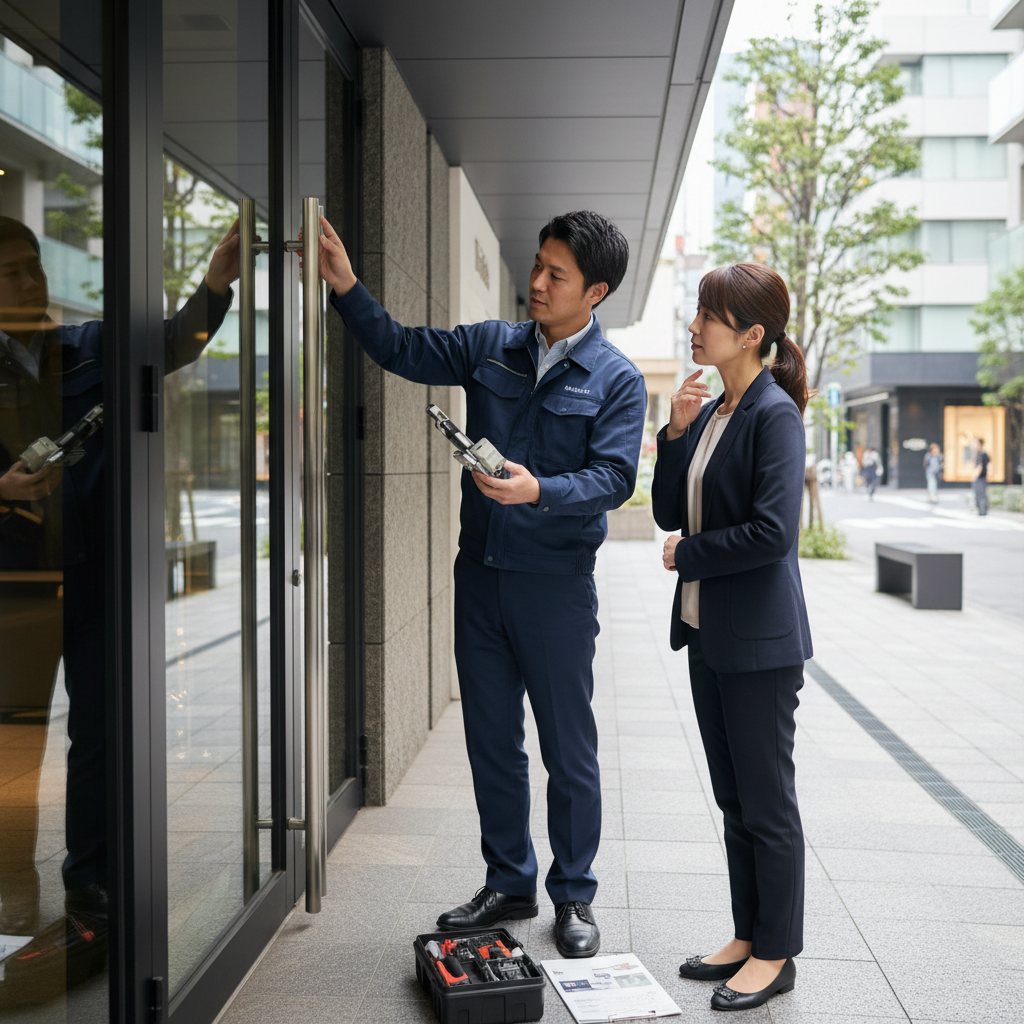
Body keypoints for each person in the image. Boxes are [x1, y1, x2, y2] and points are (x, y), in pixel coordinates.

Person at [317, 210, 646, 958]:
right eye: (537, 265)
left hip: (556, 586)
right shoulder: (489, 345)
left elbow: (616, 478)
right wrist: (345, 285)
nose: (536, 282)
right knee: (491, 740)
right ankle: (509, 881)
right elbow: (399, 346)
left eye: (556, 275)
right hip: (481, 578)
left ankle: (574, 896)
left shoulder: (618, 380)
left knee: (569, 748)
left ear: (594, 291)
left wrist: (540, 491)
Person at [0, 214, 239, 997]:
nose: (28, 283)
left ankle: (90, 890)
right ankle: (13, 892)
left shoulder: (93, 346)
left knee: (98, 738)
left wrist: (217, 282)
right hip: (17, 589)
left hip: (97, 580)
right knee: (15, 747)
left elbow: (175, 342)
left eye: (31, 267)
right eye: (10, 274)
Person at [652, 262, 812, 1012]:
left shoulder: (773, 414)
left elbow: (775, 533)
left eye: (708, 316)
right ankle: (748, 935)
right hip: (710, 635)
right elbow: (664, 510)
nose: (695, 325)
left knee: (766, 802)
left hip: (757, 644)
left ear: (751, 335)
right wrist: (676, 431)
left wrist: (692, 553)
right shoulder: (717, 411)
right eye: (697, 312)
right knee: (734, 799)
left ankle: (775, 953)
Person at [973, 437, 990, 515]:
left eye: (975, 443)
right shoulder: (984, 453)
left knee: (980, 494)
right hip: (983, 477)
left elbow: (980, 466)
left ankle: (982, 511)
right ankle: (983, 511)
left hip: (980, 478)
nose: (974, 445)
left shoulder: (981, 454)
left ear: (979, 444)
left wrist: (975, 476)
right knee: (982, 494)